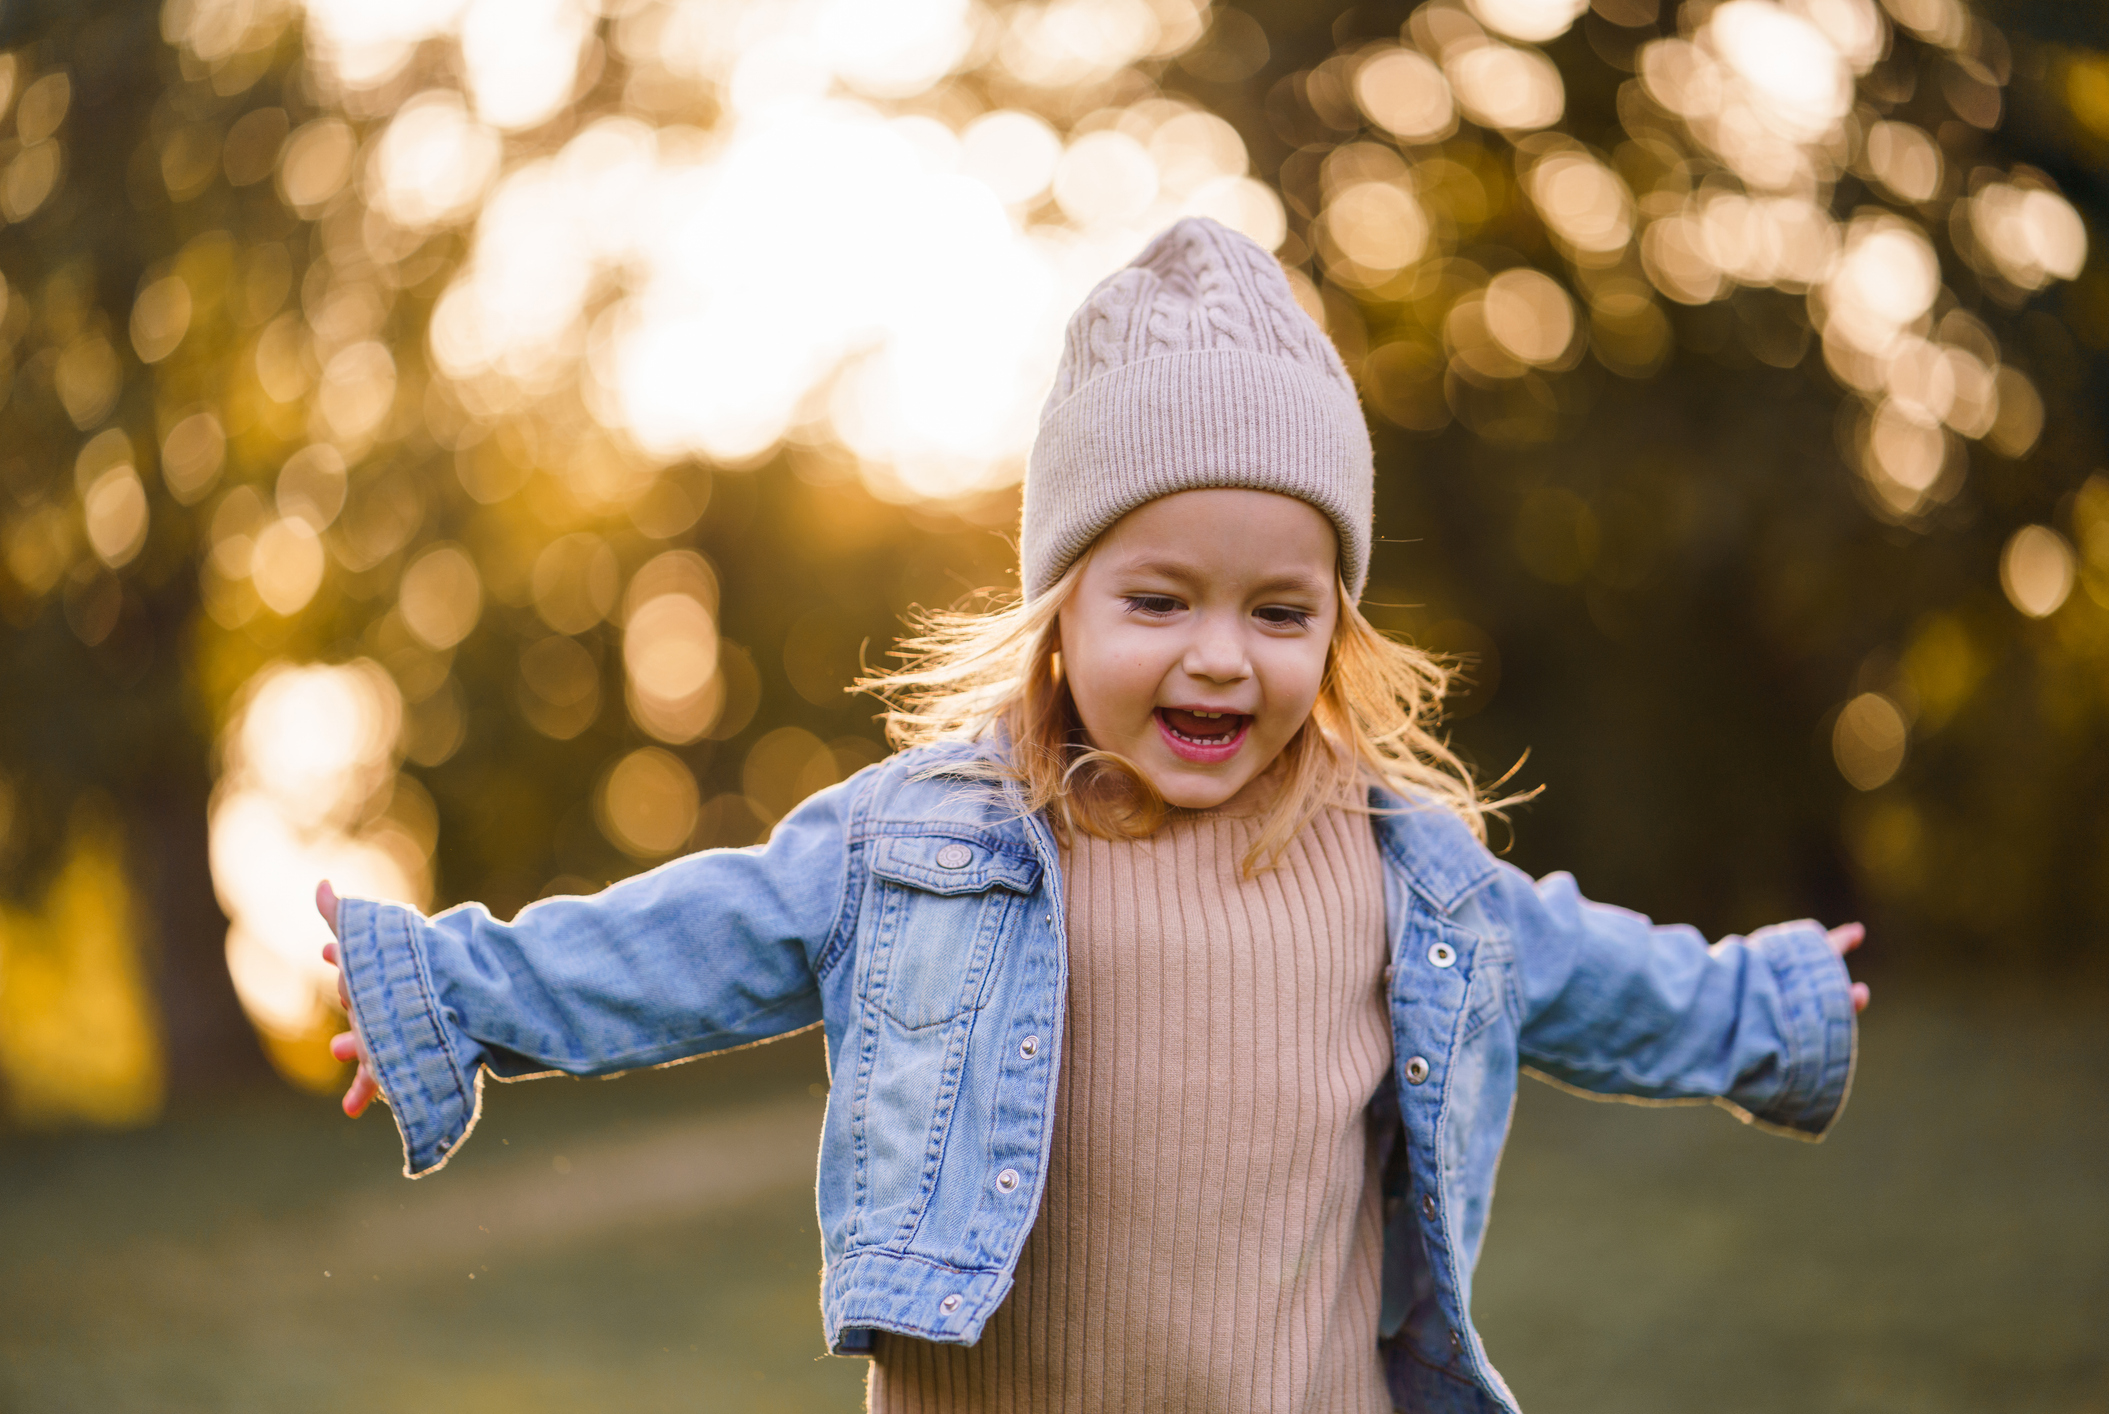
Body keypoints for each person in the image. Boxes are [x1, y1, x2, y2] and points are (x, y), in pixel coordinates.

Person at [318, 217, 1867, 1414]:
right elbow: (699, 936)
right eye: (1158, 597)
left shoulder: (1405, 871)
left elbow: (1592, 974)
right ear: (1061, 608)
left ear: (1340, 623)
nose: (1218, 651)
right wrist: (455, 995)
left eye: (1280, 607)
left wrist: (1763, 1006)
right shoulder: (931, 844)